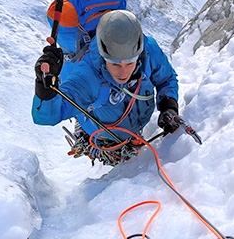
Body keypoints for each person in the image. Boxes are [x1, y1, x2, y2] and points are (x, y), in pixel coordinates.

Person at [32, 10, 181, 164]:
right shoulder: (88, 76)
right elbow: (46, 116)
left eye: (130, 63)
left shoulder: (148, 51)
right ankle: (85, 131)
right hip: (107, 134)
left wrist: (168, 106)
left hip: (132, 124)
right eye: (115, 64)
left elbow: (166, 78)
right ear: (103, 57)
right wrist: (45, 89)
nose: (124, 72)